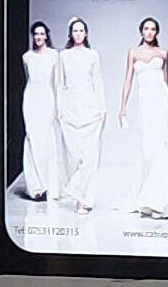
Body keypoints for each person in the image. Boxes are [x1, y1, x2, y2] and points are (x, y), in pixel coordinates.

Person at [118, 17, 168, 219]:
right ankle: (147, 198)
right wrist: (123, 107)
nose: (149, 32)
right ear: (141, 31)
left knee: (162, 145)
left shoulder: (163, 53)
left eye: (153, 29)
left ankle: (161, 201)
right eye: (146, 28)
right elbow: (128, 79)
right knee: (147, 148)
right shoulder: (133, 53)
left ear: (157, 32)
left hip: (162, 102)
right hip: (144, 105)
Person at [54, 18, 104, 215]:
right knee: (75, 155)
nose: (78, 33)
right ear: (70, 33)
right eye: (75, 30)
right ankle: (77, 192)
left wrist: (103, 108)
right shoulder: (63, 55)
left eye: (81, 30)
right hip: (70, 108)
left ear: (86, 33)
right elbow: (59, 83)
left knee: (91, 156)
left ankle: (84, 199)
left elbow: (98, 82)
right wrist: (59, 108)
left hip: (91, 107)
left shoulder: (93, 55)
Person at [21, 21, 60, 201]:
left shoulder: (54, 55)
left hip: (46, 99)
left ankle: (47, 185)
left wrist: (57, 107)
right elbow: (29, 80)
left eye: (41, 34)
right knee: (31, 139)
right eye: (35, 34)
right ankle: (35, 187)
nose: (38, 37)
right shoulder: (27, 57)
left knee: (45, 141)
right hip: (31, 99)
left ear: (47, 35)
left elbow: (57, 83)